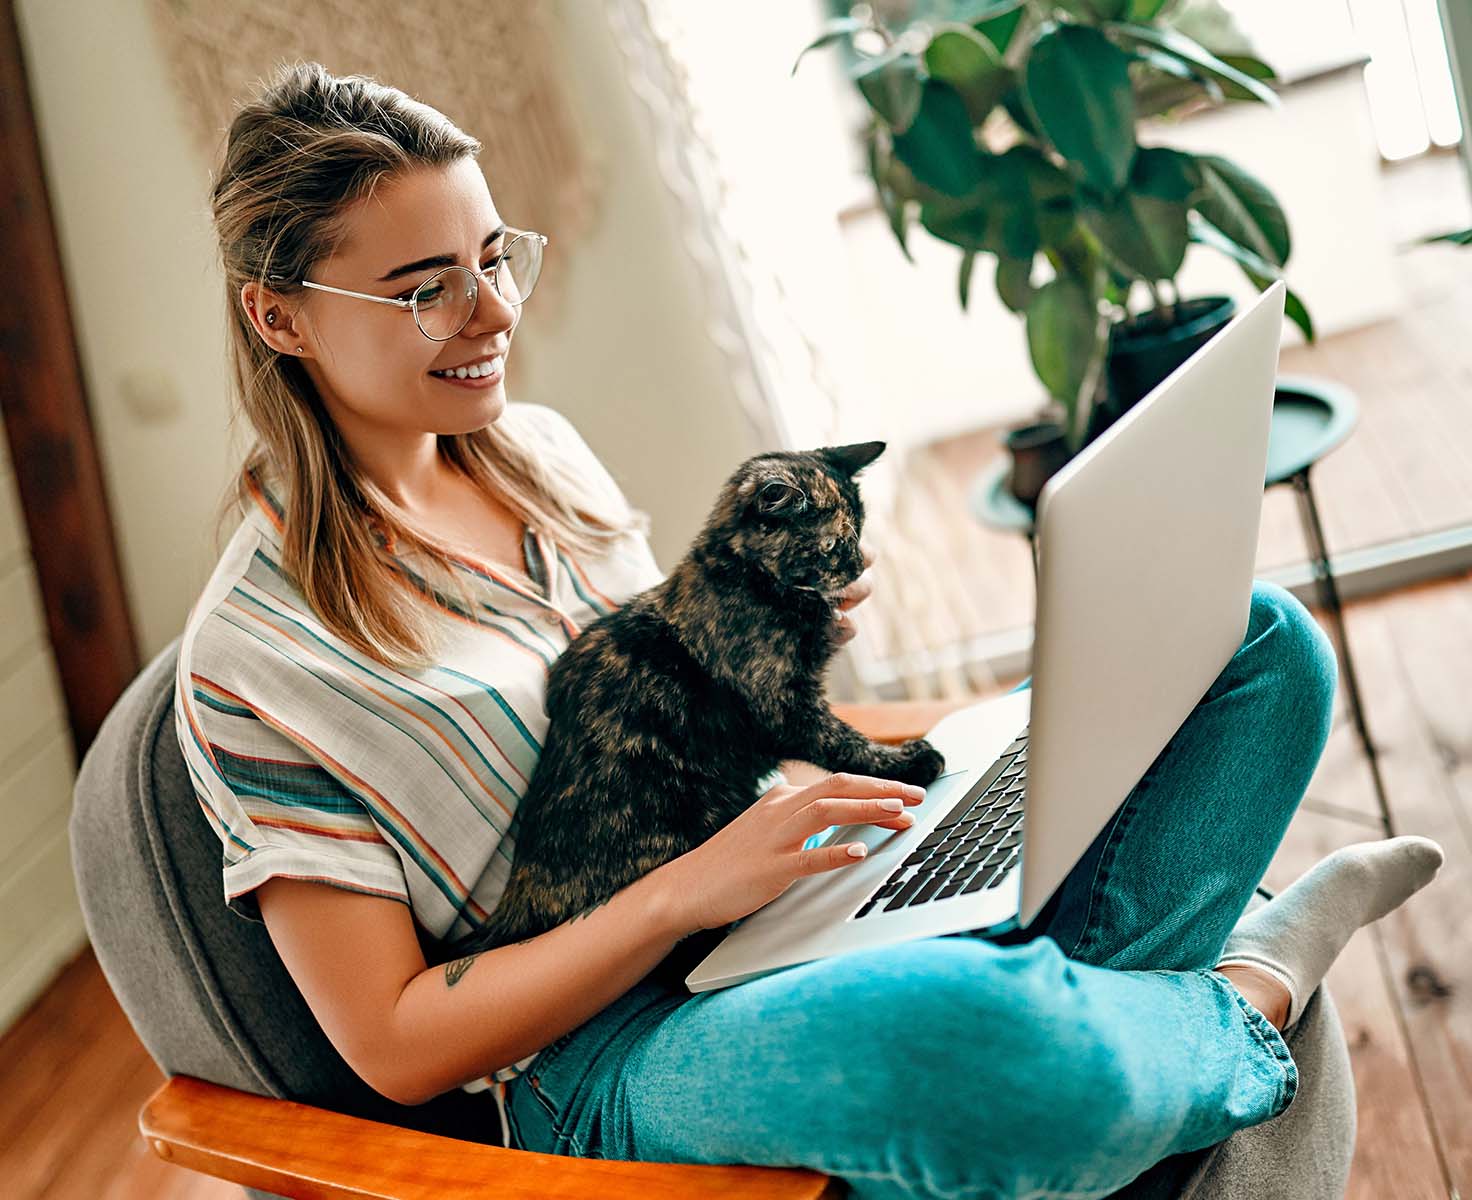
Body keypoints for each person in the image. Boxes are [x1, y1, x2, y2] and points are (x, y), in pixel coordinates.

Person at [176, 62, 1444, 1200]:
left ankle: (1070, 1061)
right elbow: (395, 1046)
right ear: (279, 318)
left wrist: (773, 653)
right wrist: (687, 892)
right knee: (966, 1041)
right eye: (422, 291)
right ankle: (1234, 1002)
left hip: (785, 895)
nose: (492, 314)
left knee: (1259, 647)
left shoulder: (535, 457)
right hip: (610, 1053)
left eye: (495, 256)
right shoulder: (259, 662)